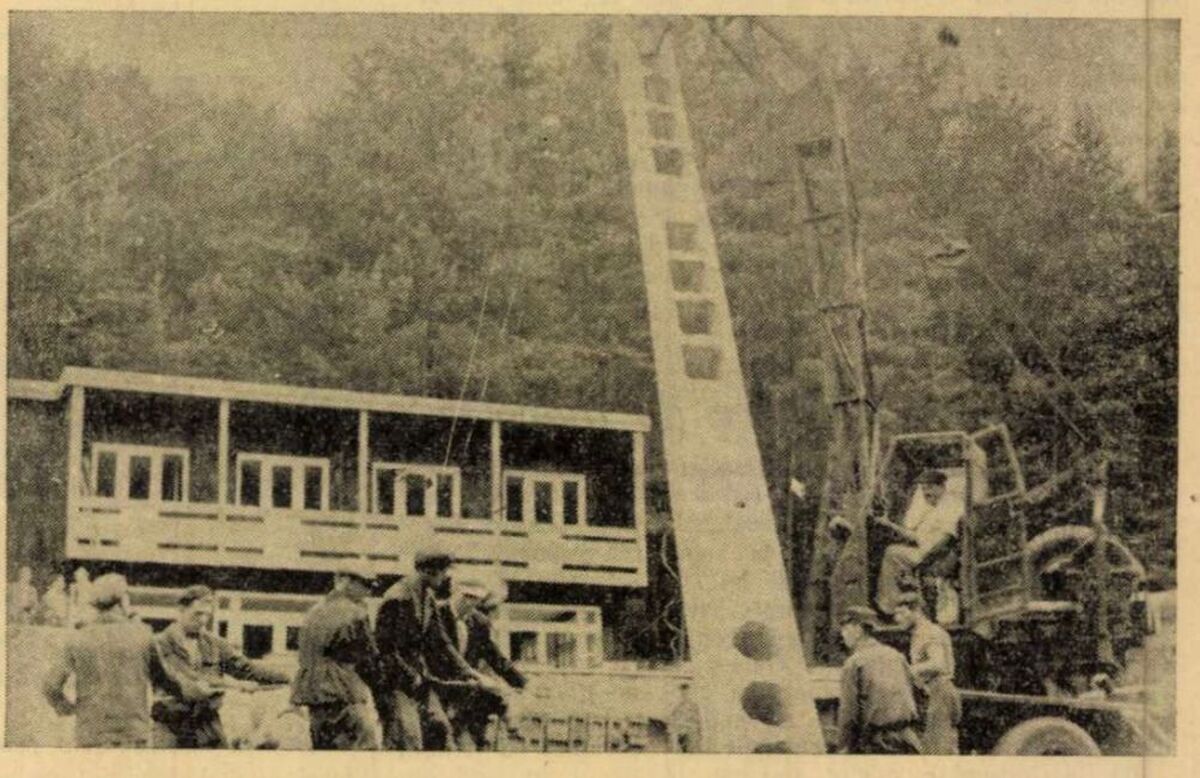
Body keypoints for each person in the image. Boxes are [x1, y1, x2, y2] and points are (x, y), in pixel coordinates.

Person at [42, 573, 199, 748]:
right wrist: (198, 691)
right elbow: (165, 680)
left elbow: (51, 685)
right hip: (132, 734)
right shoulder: (143, 634)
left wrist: (65, 707)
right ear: (123, 600)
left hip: (91, 734)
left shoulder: (78, 638)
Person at [375, 547, 488, 750]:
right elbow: (385, 649)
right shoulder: (397, 598)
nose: (445, 578)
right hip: (395, 683)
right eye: (444, 572)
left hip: (419, 681)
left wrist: (467, 671)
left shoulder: (427, 597)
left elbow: (441, 641)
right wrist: (411, 675)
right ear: (430, 571)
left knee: (442, 730)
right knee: (409, 740)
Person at [152, 584, 291, 748]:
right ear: (181, 609)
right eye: (198, 614)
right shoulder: (160, 644)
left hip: (207, 723)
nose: (203, 620)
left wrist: (287, 677)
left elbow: (246, 669)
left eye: (207, 615)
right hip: (171, 725)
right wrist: (235, 685)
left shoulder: (215, 644)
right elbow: (188, 680)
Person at [291, 563, 381, 750]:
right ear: (346, 581)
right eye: (365, 585)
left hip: (313, 697)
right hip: (344, 693)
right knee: (365, 751)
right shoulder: (356, 612)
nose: (368, 591)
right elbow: (369, 657)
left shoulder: (313, 611)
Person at [442, 577, 525, 750]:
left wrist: (522, 682)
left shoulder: (479, 622)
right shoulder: (435, 614)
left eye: (476, 598)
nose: (469, 602)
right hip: (440, 686)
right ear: (453, 591)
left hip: (468, 692)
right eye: (466, 596)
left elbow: (493, 655)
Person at [836, 606, 922, 754]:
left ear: (858, 629)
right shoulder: (897, 656)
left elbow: (849, 715)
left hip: (877, 744)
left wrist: (843, 750)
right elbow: (918, 692)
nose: (842, 634)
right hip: (908, 740)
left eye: (845, 628)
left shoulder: (854, 663)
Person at [876, 469, 963, 615]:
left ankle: (888, 607)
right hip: (928, 553)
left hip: (939, 557)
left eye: (930, 487)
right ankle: (898, 604)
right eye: (923, 489)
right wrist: (889, 525)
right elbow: (917, 537)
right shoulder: (935, 509)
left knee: (891, 553)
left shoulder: (951, 506)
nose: (926, 492)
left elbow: (947, 539)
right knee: (894, 551)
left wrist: (926, 559)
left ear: (942, 487)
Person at [892, 591, 961, 754]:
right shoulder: (920, 633)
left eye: (901, 613)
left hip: (940, 692)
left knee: (938, 751)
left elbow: (938, 663)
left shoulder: (928, 632)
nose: (897, 619)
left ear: (916, 611)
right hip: (934, 692)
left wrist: (907, 670)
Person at [667, 682, 702, 753]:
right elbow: (672, 718)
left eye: (686, 693)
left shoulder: (693, 706)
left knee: (691, 748)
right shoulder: (677, 706)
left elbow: (697, 720)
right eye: (682, 693)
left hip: (689, 731)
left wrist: (698, 730)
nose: (684, 695)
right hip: (680, 730)